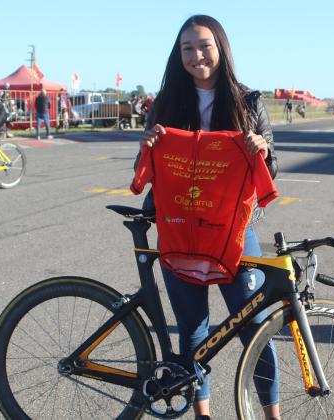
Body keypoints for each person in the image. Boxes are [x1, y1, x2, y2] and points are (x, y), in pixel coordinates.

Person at [135, 15, 280, 420]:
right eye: (187, 49)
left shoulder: (248, 101)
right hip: (179, 229)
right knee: (194, 331)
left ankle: (273, 416)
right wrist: (146, 144)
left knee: (256, 326)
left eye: (204, 46)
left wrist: (262, 150)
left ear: (221, 48)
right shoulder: (165, 103)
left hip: (234, 231)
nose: (197, 56)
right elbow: (146, 166)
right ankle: (203, 415)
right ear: (177, 54)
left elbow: (274, 168)